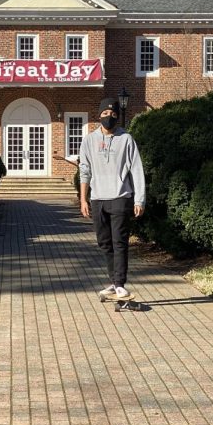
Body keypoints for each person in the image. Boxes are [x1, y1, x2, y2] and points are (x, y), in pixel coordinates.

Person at [79, 97, 146, 300]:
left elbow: (136, 169)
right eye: (106, 114)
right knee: (104, 242)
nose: (109, 117)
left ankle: (120, 283)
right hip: (98, 198)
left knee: (120, 242)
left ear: (117, 117)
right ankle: (113, 281)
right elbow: (85, 170)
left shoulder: (126, 139)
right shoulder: (89, 140)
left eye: (113, 114)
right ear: (99, 115)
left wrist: (139, 199)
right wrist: (83, 199)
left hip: (120, 197)